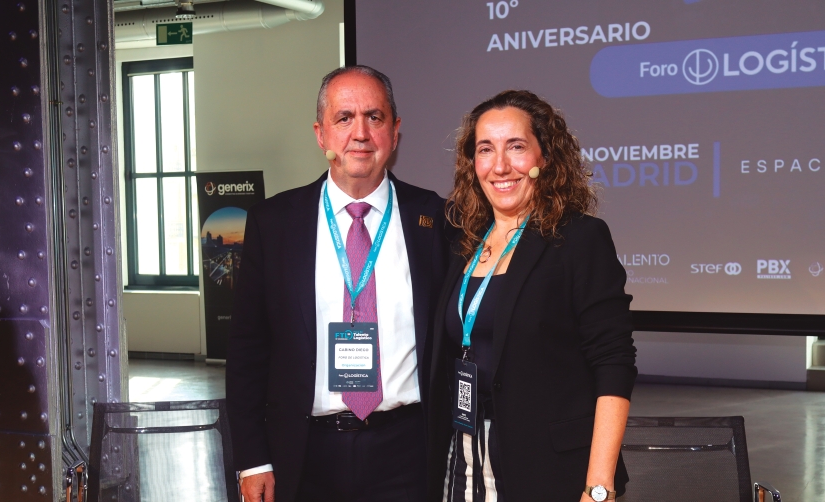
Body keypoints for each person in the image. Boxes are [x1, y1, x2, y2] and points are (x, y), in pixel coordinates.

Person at [227, 65, 451, 502]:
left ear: (395, 130)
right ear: (320, 133)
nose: (361, 133)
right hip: (306, 451)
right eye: (344, 118)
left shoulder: (435, 220)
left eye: (375, 116)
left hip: (409, 449)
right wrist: (253, 459)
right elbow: (247, 351)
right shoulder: (274, 223)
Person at [426, 90, 637, 502]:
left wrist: (598, 485)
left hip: (550, 471)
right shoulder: (464, 243)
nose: (500, 165)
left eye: (516, 147)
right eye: (485, 149)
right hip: (464, 461)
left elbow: (613, 362)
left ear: (545, 158)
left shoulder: (579, 239)